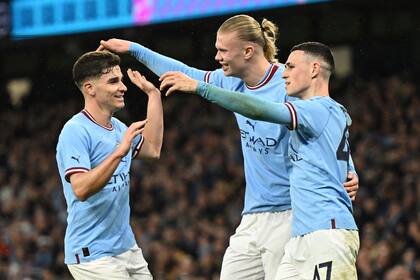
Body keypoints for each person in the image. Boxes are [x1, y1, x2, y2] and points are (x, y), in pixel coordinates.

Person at [98, 15, 358, 279]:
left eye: (223, 50)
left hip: (289, 213)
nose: (217, 56)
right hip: (253, 214)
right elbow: (184, 74)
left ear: (248, 51)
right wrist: (134, 49)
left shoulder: (288, 83)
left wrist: (348, 170)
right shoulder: (232, 81)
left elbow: (328, 123)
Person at [159, 41, 359, 279]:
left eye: (291, 67)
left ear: (314, 69)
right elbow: (338, 148)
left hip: (327, 232)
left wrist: (201, 88)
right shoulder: (331, 111)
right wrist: (350, 170)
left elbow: (260, 110)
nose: (284, 73)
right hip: (301, 237)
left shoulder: (316, 110)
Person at [56, 51, 163, 279]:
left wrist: (153, 95)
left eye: (121, 80)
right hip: (92, 253)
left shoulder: (118, 127)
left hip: (126, 246)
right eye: (113, 81)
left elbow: (153, 149)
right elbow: (81, 188)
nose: (123, 87)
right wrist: (120, 151)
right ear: (90, 88)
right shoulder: (75, 131)